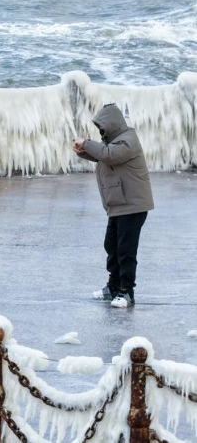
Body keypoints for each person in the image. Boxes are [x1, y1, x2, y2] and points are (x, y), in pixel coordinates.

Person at [73, 103, 154, 308]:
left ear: (112, 124)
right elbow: (104, 154)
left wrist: (87, 142)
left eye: (102, 127)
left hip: (133, 205)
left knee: (126, 250)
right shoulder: (115, 142)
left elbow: (111, 155)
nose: (101, 131)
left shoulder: (128, 139)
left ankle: (127, 292)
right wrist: (83, 151)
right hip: (119, 203)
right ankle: (113, 287)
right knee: (112, 246)